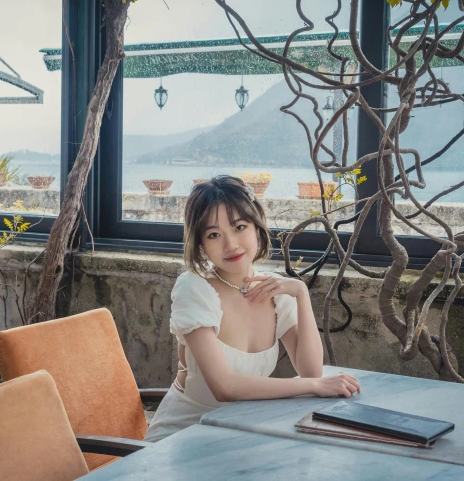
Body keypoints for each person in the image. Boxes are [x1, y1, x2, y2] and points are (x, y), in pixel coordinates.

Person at [144, 175, 361, 442]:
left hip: (241, 435)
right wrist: (312, 386)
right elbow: (225, 387)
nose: (231, 244)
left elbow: (311, 369)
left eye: (239, 227)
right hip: (182, 438)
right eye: (214, 234)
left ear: (257, 228)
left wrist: (301, 294)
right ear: (201, 245)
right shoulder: (194, 289)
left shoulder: (274, 291)